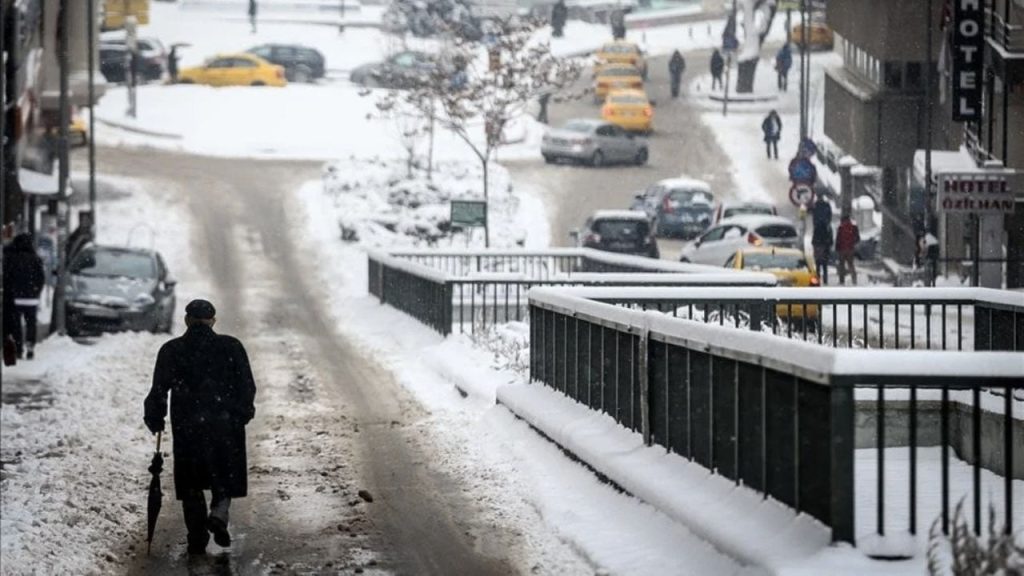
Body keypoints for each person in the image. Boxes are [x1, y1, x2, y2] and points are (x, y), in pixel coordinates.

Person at [144, 300, 256, 555]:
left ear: (186, 320)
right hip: (225, 424)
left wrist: (155, 417)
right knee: (223, 473)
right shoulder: (231, 346)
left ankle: (196, 535)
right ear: (213, 321)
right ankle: (218, 513)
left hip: (188, 426)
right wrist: (242, 412)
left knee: (191, 480)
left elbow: (159, 390)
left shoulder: (172, 350)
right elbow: (246, 386)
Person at [3, 234, 46, 359]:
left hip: (17, 297)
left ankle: (19, 348)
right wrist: (36, 291)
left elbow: (8, 277)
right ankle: (30, 346)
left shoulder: (13, 259)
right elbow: (41, 278)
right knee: (31, 323)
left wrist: (12, 291)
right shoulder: (35, 259)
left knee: (17, 324)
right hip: (31, 297)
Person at [811, 195, 833, 284]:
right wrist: (829, 244)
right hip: (824, 247)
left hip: (818, 246)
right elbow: (829, 239)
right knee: (824, 265)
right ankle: (825, 279)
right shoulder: (827, 228)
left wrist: (815, 244)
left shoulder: (816, 206)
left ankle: (818, 279)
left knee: (818, 265)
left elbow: (814, 240)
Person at [835, 214, 860, 285]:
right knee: (851, 265)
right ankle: (854, 280)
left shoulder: (840, 228)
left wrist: (837, 248)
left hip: (842, 250)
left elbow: (838, 239)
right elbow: (857, 238)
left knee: (841, 265)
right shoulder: (854, 227)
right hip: (850, 249)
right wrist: (852, 243)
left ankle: (841, 281)